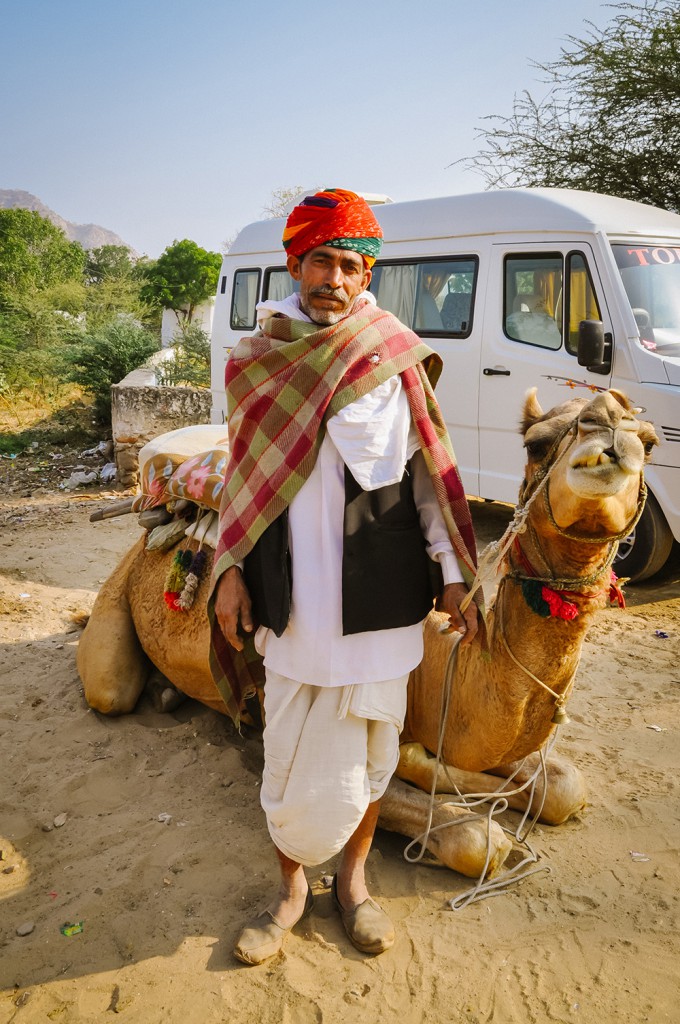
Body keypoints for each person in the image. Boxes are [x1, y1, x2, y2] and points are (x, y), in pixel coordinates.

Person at [208, 188, 479, 965]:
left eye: (352, 264)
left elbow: (429, 478)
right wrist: (229, 569)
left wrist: (454, 572)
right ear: (294, 262)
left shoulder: (392, 353)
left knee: (371, 751)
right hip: (291, 598)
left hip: (382, 597)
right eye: (322, 259)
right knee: (289, 755)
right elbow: (243, 480)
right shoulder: (256, 360)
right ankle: (292, 890)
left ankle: (354, 886)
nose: (336, 275)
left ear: (369, 277)